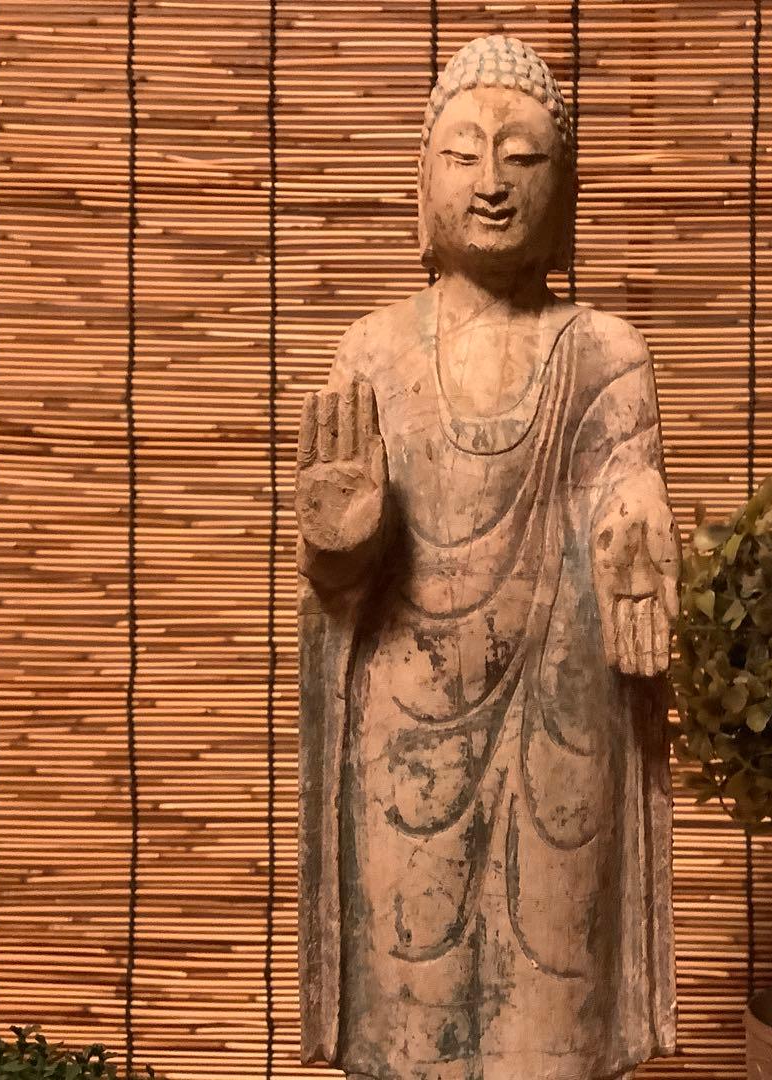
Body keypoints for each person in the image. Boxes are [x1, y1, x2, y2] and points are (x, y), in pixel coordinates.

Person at [297, 34, 680, 1080]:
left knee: (553, 1003)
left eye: (523, 156)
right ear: (423, 183)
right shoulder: (374, 352)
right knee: (408, 1006)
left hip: (561, 713)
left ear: (565, 189)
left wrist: (639, 522)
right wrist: (339, 540)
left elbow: (623, 485)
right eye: (463, 153)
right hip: (404, 718)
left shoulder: (606, 353)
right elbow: (340, 579)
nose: (493, 182)